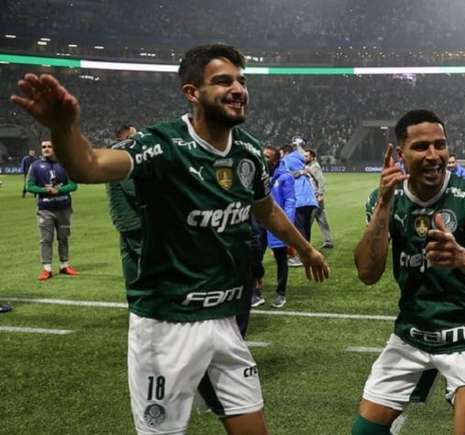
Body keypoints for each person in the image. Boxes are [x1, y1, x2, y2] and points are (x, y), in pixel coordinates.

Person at [12, 43, 329, 435]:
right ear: (192, 93)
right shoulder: (159, 145)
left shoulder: (247, 151)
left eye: (242, 81)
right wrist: (63, 128)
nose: (238, 89)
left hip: (224, 319)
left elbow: (265, 209)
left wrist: (307, 248)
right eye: (223, 81)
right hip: (166, 325)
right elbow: (90, 166)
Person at [351, 110, 465, 435]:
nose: (434, 155)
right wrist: (383, 204)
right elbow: (367, 271)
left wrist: (460, 256)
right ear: (399, 154)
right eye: (421, 147)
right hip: (411, 334)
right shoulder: (385, 200)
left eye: (441, 145)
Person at [25, 140, 78, 281]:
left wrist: (59, 190)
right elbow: (29, 186)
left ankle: (64, 265)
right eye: (44, 147)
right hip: (45, 210)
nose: (46, 149)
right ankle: (47, 269)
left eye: (49, 146)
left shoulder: (65, 164)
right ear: (41, 149)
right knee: (46, 239)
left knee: (63, 238)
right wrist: (45, 190)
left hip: (64, 209)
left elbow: (73, 185)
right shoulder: (35, 166)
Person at [252, 145, 295, 309]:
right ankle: (255, 291)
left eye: (268, 156)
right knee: (255, 257)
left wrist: (287, 226)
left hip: (277, 223)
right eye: (262, 155)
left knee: (280, 259)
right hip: (259, 222)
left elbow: (290, 201)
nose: (264, 158)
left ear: (277, 159)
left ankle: (280, 293)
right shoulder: (258, 174)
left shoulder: (285, 177)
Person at [106, 124, 142, 288]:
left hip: (122, 215)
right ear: (127, 133)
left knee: (128, 255)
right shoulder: (123, 153)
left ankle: (133, 293)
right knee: (146, 255)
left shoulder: (113, 152)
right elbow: (132, 189)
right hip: (133, 217)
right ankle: (150, 296)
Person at [281, 137, 318, 267]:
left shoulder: (286, 160)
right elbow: (304, 155)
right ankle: (308, 254)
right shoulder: (300, 160)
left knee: (299, 229)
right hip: (309, 199)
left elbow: (281, 175)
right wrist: (299, 145)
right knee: (306, 228)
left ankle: (300, 257)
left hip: (298, 199)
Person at [305, 148, 334, 249]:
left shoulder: (314, 166)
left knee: (307, 221)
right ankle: (328, 240)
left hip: (314, 197)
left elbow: (321, 180)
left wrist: (320, 194)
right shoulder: (309, 166)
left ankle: (304, 243)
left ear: (312, 157)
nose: (305, 158)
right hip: (316, 197)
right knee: (322, 219)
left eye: (307, 156)